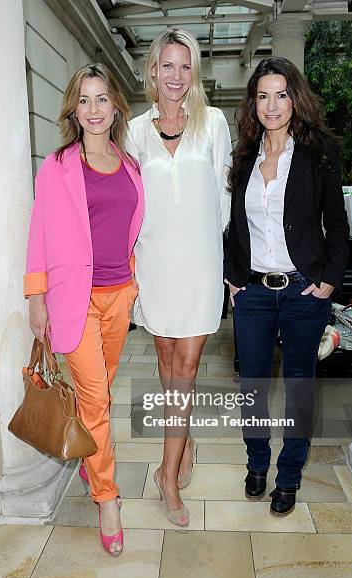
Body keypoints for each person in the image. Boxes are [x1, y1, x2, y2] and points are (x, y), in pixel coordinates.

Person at [24, 63, 144, 555]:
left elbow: (133, 227)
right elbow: (40, 233)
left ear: (115, 106)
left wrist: (135, 284)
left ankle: (91, 464)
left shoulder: (131, 165)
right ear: (73, 108)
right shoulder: (57, 165)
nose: (93, 109)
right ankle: (107, 498)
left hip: (120, 295)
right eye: (84, 100)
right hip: (76, 300)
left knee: (101, 396)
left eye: (101, 99)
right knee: (96, 401)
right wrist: (36, 295)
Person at [224, 57, 350, 516]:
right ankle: (257, 463)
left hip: (303, 292)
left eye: (281, 95)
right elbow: (234, 226)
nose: (272, 105)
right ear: (252, 103)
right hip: (253, 293)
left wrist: (329, 280)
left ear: (295, 99)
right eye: (263, 96)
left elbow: (336, 224)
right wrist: (233, 278)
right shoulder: (243, 157)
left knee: (299, 390)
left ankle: (290, 476)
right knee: (252, 388)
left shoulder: (319, 153)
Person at [127, 28, 231, 526]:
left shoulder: (213, 124)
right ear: (152, 70)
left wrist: (218, 257)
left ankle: (167, 474)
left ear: (195, 72)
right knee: (166, 360)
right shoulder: (133, 130)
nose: (175, 75)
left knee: (186, 367)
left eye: (184, 66)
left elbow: (223, 200)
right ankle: (183, 436)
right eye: (167, 65)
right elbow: (131, 202)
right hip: (154, 262)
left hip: (199, 262)